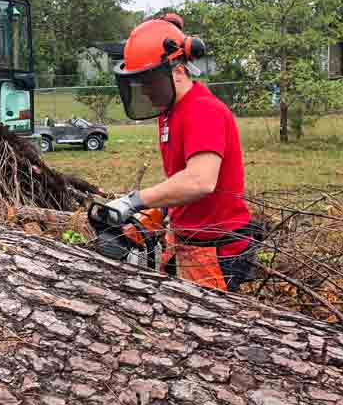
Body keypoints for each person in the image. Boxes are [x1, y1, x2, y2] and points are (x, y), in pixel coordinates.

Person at [104, 17, 260, 292]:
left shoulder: (203, 110)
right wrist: (158, 210)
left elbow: (200, 181)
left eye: (150, 81)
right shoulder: (169, 112)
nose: (146, 90)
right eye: (140, 83)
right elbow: (181, 179)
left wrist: (135, 201)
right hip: (187, 241)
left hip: (216, 250)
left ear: (177, 70)